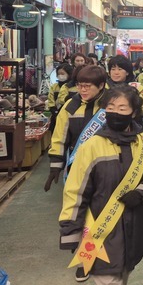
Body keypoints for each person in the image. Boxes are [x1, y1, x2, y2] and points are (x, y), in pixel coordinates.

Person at [59, 85, 143, 285]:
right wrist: (70, 230)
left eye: (122, 108)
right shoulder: (91, 147)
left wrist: (142, 192)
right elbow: (75, 191)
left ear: (134, 112)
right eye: (110, 107)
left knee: (121, 280)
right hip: (100, 231)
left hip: (135, 226)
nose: (115, 113)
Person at [45, 65, 107, 194]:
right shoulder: (71, 105)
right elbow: (60, 137)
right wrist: (55, 164)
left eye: (87, 86)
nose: (82, 90)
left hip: (106, 164)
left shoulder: (111, 104)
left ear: (101, 85)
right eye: (79, 85)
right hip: (78, 163)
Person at [107, 56, 143, 120]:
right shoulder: (104, 87)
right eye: (113, 69)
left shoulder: (137, 87)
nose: (116, 72)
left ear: (127, 72)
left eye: (120, 69)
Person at [47, 63, 73, 131]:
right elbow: (50, 101)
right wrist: (55, 112)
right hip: (56, 117)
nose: (60, 76)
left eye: (63, 74)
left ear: (69, 74)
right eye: (59, 74)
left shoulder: (73, 87)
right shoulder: (54, 87)